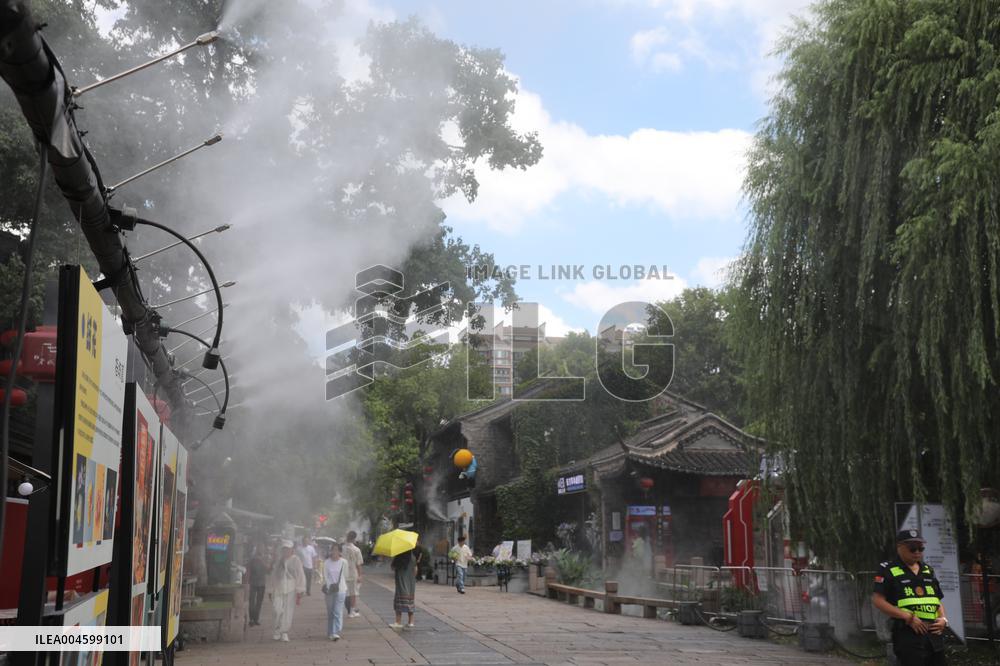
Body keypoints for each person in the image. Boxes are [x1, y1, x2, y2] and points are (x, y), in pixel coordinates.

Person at [872, 529, 949, 665]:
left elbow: (937, 599)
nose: (918, 552)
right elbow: (878, 600)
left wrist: (943, 619)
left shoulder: (928, 570)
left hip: (934, 634)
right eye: (913, 548)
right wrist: (907, 617)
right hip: (909, 633)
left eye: (921, 548)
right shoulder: (888, 569)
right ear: (899, 547)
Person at [270, 539, 306, 642]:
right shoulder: (279, 560)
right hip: (278, 588)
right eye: (284, 549)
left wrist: (300, 589)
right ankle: (276, 630)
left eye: (288, 549)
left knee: (287, 612)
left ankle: (284, 632)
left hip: (291, 588)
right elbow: (273, 575)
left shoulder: (296, 560)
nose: (286, 551)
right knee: (277, 610)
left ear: (292, 550)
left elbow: (300, 575)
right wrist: (270, 589)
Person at [323, 543, 348, 641]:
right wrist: (330, 585)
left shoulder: (344, 562)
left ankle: (336, 632)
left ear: (340, 552)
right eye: (333, 550)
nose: (335, 552)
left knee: (337, 611)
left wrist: (338, 584)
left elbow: (345, 575)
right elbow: (325, 576)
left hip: (341, 589)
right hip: (329, 590)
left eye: (337, 550)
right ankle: (330, 632)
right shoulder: (326, 562)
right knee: (330, 612)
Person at [390, 550, 416, 629]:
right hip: (410, 583)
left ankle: (398, 622)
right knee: (410, 601)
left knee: (399, 601)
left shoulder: (399, 557)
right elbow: (415, 570)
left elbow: (392, 567)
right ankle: (411, 622)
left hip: (401, 582)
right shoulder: (412, 557)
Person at [342, 531, 364, 618]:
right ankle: (351, 611)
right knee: (353, 593)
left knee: (343, 592)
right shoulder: (357, 550)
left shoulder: (342, 548)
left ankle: (340, 610)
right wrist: (360, 575)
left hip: (343, 573)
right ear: (354, 538)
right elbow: (358, 564)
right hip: (353, 573)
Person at [247, 545, 269, 626]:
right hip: (253, 583)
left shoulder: (265, 558)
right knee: (252, 602)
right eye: (259, 550)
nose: (260, 551)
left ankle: (256, 619)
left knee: (259, 602)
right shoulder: (252, 559)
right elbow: (248, 569)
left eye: (262, 549)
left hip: (262, 583)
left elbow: (268, 570)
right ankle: (251, 619)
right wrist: (246, 582)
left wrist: (264, 562)